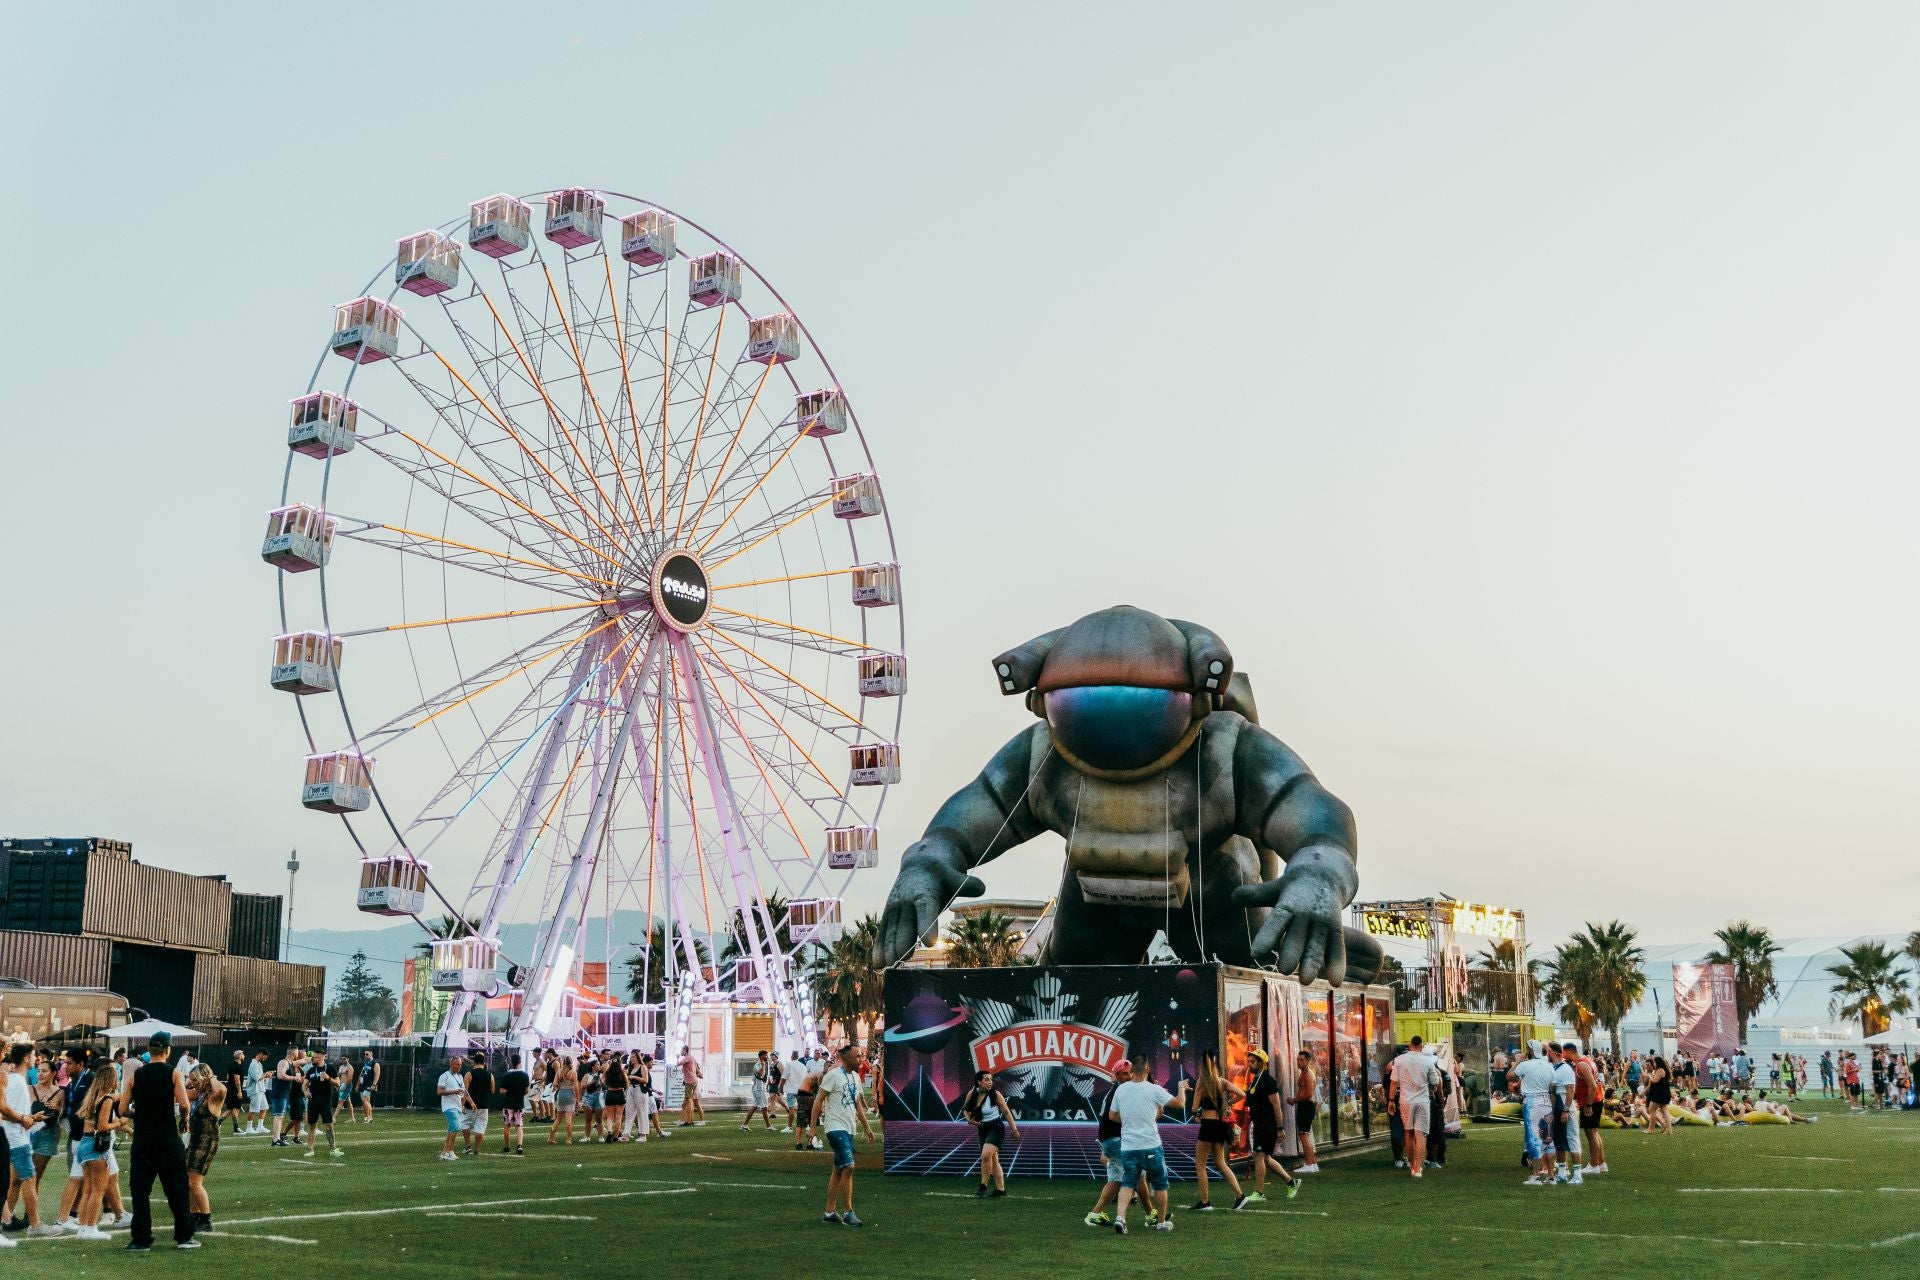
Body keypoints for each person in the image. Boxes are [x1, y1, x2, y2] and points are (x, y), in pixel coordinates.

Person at [119, 1031, 196, 1251]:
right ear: (168, 1050)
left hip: (143, 1139)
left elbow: (123, 1109)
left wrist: (141, 1114)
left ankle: (141, 1238)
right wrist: (184, 1120)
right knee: (177, 1188)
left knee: (140, 1191)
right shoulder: (174, 1074)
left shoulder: (136, 1075)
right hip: (167, 1138)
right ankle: (184, 1236)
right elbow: (184, 1104)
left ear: (149, 1050)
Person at [1107, 1054, 1186, 1235]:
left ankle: (1120, 1218)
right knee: (1160, 1184)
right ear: (1148, 1069)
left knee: (1127, 1183)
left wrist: (1128, 1120)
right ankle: (1161, 1223)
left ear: (1132, 1070)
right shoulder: (1153, 1089)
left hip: (1128, 1146)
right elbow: (1180, 1104)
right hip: (1150, 1145)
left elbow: (1112, 1116)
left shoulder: (1121, 1090)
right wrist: (1181, 1088)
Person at [812, 1044, 877, 1227]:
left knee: (839, 1169)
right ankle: (849, 1212)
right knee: (849, 1166)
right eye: (857, 1056)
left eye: (861, 1056)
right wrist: (812, 1128)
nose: (861, 1059)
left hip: (849, 1128)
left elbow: (857, 1105)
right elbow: (818, 1100)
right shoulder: (833, 1076)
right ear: (846, 1057)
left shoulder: (856, 1077)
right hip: (834, 1127)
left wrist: (867, 1127)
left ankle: (829, 1212)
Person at [1, 1046, 56, 1238]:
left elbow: (15, 1113)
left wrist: (33, 1117)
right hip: (16, 1139)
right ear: (26, 1058)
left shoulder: (16, 1080)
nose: (37, 1059)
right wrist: (26, 1118)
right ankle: (35, 1224)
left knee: (15, 1181)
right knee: (29, 1179)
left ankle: (7, 1221)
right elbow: (6, 1113)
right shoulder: (16, 1081)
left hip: (15, 1137)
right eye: (34, 1056)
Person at [1188, 1051, 1248, 1211]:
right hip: (1220, 1125)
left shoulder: (1202, 1082)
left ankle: (1205, 1202)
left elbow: (1194, 1108)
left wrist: (1197, 1114)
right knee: (1221, 1163)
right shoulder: (1221, 1082)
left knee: (1200, 1164)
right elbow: (1242, 1094)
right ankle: (1240, 1196)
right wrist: (1228, 1102)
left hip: (1208, 1125)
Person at [1241, 1050, 1299, 1203]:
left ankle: (1259, 1192)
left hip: (1266, 1125)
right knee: (1266, 1158)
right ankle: (1291, 1182)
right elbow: (1252, 1098)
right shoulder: (1256, 1080)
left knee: (1259, 1156)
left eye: (1253, 1062)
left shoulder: (1268, 1081)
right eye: (1249, 1061)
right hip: (1259, 1124)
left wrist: (1280, 1128)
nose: (1250, 1064)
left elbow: (1276, 1105)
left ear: (1261, 1063)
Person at [960, 1069, 1019, 1199]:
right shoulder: (972, 1093)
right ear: (979, 1081)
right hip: (982, 1128)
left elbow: (1007, 1112)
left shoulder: (996, 1094)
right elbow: (965, 1109)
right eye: (986, 1079)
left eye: (991, 1079)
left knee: (986, 1155)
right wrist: (969, 1119)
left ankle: (983, 1186)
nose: (990, 1082)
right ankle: (1000, 1190)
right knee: (993, 1159)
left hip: (996, 1127)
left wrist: (1014, 1130)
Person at [1509, 1039, 1557, 1186]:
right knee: (1548, 1139)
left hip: (1532, 1103)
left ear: (1530, 1051)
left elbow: (1509, 1076)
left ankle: (1535, 1175)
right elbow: (1553, 1087)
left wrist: (1520, 1061)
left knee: (1533, 1138)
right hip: (1546, 1102)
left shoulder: (1525, 1065)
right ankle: (1551, 1176)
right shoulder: (1549, 1066)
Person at [183, 1063, 224, 1232]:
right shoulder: (199, 1094)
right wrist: (186, 1083)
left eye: (195, 1079)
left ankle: (205, 1219)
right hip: (194, 1139)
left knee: (195, 1182)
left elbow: (221, 1090)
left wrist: (211, 1077)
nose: (192, 1083)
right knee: (188, 1181)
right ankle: (194, 1215)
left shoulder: (213, 1096)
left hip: (206, 1141)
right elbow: (182, 1093)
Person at [1389, 1034, 1437, 1179]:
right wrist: (1432, 1088)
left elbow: (1393, 1082)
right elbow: (1434, 1083)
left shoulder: (1399, 1060)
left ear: (1409, 1046)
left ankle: (1411, 1165)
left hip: (1405, 1101)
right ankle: (1418, 1168)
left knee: (1408, 1133)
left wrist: (1390, 1101)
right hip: (1422, 1101)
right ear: (1421, 1047)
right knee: (1420, 1134)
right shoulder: (1428, 1061)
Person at [1546, 1044, 1582, 1185]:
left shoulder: (1565, 1068)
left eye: (1548, 1051)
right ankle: (1562, 1173)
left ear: (1554, 1053)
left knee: (1572, 1138)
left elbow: (1570, 1090)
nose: (1546, 1054)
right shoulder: (1552, 1068)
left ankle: (1577, 1174)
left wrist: (1566, 1110)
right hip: (1555, 1105)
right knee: (1559, 1139)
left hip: (1564, 1105)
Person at [1572, 1042, 1608, 1175]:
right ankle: (1601, 1162)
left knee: (1590, 1133)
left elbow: (1592, 1086)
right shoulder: (1587, 1061)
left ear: (1569, 1052)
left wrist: (1588, 1105)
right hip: (1596, 1099)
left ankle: (1594, 1164)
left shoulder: (1581, 1064)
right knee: (1594, 1132)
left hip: (1591, 1101)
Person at [302, 1049, 341, 1158]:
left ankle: (333, 1148)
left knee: (329, 1125)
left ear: (320, 1057)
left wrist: (328, 1078)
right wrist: (305, 1092)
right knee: (312, 1126)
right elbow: (304, 1084)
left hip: (325, 1102)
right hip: (313, 1102)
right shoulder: (310, 1070)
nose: (312, 1059)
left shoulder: (330, 1068)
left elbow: (338, 1083)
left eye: (314, 1057)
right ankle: (310, 1149)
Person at [1289, 1049, 1321, 1174]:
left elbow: (1308, 1093)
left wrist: (1294, 1100)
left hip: (1306, 1106)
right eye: (1298, 1060)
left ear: (1308, 1061)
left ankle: (1309, 1164)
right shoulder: (1304, 1073)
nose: (1299, 1062)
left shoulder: (1308, 1074)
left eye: (1301, 1060)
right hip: (1305, 1106)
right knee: (1305, 1135)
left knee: (1303, 1135)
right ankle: (1313, 1163)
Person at [498, 1053, 530, 1156]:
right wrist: (518, 1093)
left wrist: (510, 1092)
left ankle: (507, 1147)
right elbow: (526, 1091)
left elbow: (502, 1091)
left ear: (512, 1062)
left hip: (508, 1103)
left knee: (507, 1125)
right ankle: (520, 1145)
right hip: (519, 1103)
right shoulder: (525, 1075)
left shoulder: (507, 1075)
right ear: (520, 1062)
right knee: (519, 1125)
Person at [463, 1051, 495, 1156]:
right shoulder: (490, 1075)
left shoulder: (469, 1074)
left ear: (474, 1062)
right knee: (480, 1127)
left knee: (465, 1124)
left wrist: (462, 1104)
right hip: (484, 1105)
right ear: (483, 1062)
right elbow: (492, 1090)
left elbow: (465, 1091)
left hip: (470, 1105)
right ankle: (477, 1149)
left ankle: (468, 1147)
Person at [437, 1056, 466, 1161]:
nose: (459, 1066)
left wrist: (464, 1104)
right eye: (457, 1064)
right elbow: (439, 1092)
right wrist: (454, 1091)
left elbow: (463, 1092)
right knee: (455, 1126)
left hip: (457, 1106)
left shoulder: (460, 1077)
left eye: (460, 1064)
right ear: (451, 1064)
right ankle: (449, 1151)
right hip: (449, 1106)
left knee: (451, 1130)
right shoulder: (444, 1076)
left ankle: (445, 1152)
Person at [547, 1055, 579, 1145]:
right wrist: (577, 1098)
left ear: (563, 1063)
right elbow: (576, 1087)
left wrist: (558, 1086)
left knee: (558, 1118)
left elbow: (554, 1084)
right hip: (570, 1095)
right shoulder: (573, 1073)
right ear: (571, 1063)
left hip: (561, 1095)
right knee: (568, 1119)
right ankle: (568, 1139)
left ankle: (550, 1137)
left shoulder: (559, 1072)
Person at [1643, 1054, 1674, 1136]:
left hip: (1659, 1094)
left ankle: (1651, 1129)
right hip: (1663, 1093)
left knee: (1651, 1110)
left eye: (1654, 1062)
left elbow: (1655, 1081)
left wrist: (1649, 1076)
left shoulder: (1660, 1070)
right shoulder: (1663, 1070)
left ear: (1658, 1062)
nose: (1654, 1064)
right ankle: (1668, 1130)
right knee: (1664, 1111)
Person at [744, 1050, 775, 1133]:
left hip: (760, 1088)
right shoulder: (758, 1065)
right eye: (766, 1055)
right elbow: (760, 1073)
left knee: (754, 1107)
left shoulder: (762, 1064)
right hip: (759, 1089)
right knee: (764, 1107)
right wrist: (763, 1066)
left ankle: (745, 1125)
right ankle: (768, 1127)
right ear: (761, 1056)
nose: (767, 1057)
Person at [677, 1047, 705, 1126]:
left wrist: (694, 1074)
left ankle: (700, 1120)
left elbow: (701, 1075)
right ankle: (684, 1120)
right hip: (690, 1083)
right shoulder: (689, 1062)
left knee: (695, 1103)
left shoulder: (692, 1062)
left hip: (693, 1084)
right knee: (685, 1104)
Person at [245, 1050, 268, 1135]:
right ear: (260, 1054)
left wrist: (266, 1075)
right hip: (255, 1090)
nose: (265, 1059)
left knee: (264, 1108)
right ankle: (249, 1128)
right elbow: (256, 1078)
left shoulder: (259, 1064)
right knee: (253, 1109)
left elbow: (261, 1077)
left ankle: (260, 1126)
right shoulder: (253, 1064)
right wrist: (266, 1074)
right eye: (265, 1057)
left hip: (260, 1089)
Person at [224, 1052, 246, 1137]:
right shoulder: (237, 1067)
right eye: (243, 1055)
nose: (244, 1056)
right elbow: (237, 1080)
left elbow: (228, 1078)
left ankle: (217, 1123)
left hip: (230, 1090)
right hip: (235, 1091)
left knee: (230, 1109)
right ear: (239, 1056)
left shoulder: (231, 1066)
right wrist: (239, 1091)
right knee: (236, 1109)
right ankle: (236, 1128)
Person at [355, 1050, 380, 1124]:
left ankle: (368, 1117)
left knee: (364, 1099)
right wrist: (357, 1084)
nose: (365, 1055)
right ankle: (369, 1117)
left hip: (369, 1084)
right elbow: (361, 1074)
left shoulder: (375, 1063)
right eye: (364, 1054)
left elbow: (377, 1074)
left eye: (367, 1054)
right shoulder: (366, 1063)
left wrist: (374, 1084)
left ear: (371, 1053)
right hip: (363, 1084)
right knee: (366, 1101)